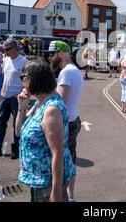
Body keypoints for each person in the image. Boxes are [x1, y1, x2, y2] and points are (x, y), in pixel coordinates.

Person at [15, 60, 75, 202]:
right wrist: (21, 107)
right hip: (39, 182)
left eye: (23, 78)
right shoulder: (39, 102)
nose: (22, 82)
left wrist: (56, 191)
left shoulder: (51, 110)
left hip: (47, 184)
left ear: (34, 80)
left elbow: (57, 154)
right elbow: (19, 132)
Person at [48, 40, 84, 202]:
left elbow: (59, 101)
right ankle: (70, 196)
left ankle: (62, 196)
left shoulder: (67, 72)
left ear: (61, 54)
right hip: (73, 118)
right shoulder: (72, 70)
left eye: (52, 54)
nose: (50, 58)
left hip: (66, 123)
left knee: (61, 162)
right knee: (70, 161)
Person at [0, 39, 27, 159]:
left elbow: (28, 80)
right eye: (4, 49)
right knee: (0, 122)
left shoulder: (24, 62)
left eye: (7, 49)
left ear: (16, 48)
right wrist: (2, 88)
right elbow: (4, 75)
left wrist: (21, 93)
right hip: (5, 96)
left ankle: (17, 149)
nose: (5, 51)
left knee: (16, 124)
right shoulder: (6, 60)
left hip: (16, 98)